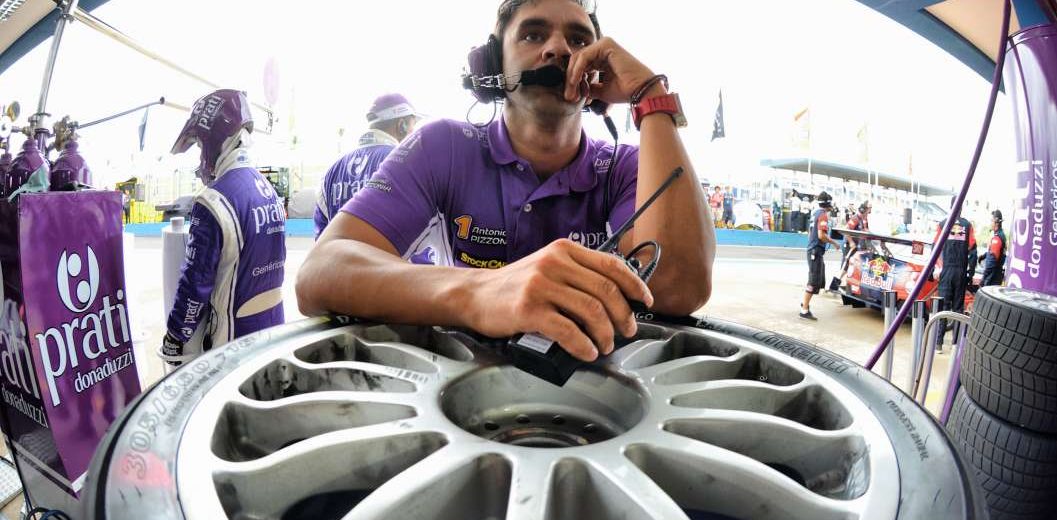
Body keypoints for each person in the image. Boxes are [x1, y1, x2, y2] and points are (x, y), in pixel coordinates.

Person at [297, 0, 714, 363]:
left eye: (579, 40)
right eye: (533, 34)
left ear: (597, 74)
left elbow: (678, 289)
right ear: (494, 63)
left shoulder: (624, 167)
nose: (558, 49)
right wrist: (481, 292)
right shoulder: (444, 147)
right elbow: (321, 272)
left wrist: (649, 97)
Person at [160, 89, 287, 368]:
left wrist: (175, 334)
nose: (200, 156)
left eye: (198, 145)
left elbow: (196, 283)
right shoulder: (268, 191)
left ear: (212, 138)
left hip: (234, 345)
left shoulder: (213, 200)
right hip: (274, 330)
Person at [314, 94, 422, 239]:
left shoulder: (331, 170)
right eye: (412, 126)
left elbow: (321, 237)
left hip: (340, 253)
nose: (413, 133)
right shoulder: (406, 162)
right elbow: (420, 231)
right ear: (401, 125)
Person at [934, 201, 977, 345]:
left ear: (951, 207)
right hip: (961, 272)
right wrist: (970, 273)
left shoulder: (942, 224)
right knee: (958, 309)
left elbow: (935, 249)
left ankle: (939, 343)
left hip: (946, 272)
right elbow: (973, 252)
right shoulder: (967, 225)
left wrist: (936, 269)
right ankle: (955, 344)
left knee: (943, 307)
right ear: (961, 207)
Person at [800, 191, 838, 320]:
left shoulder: (815, 213)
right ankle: (804, 310)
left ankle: (804, 304)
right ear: (828, 204)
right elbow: (821, 235)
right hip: (815, 251)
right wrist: (834, 243)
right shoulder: (822, 215)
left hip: (814, 250)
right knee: (813, 280)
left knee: (818, 279)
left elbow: (810, 233)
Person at [829, 200, 871, 292]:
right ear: (864, 210)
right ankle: (833, 286)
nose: (869, 212)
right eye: (868, 209)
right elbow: (847, 230)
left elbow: (865, 231)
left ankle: (846, 285)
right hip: (848, 245)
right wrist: (851, 242)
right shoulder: (855, 218)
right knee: (846, 265)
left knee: (852, 265)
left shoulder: (863, 219)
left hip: (856, 245)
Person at [979, 209, 1006, 286]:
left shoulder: (997, 238)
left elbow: (992, 261)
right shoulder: (1001, 235)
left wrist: (983, 279)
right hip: (996, 277)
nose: (990, 223)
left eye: (992, 221)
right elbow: (995, 253)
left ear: (996, 223)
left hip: (992, 279)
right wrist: (984, 256)